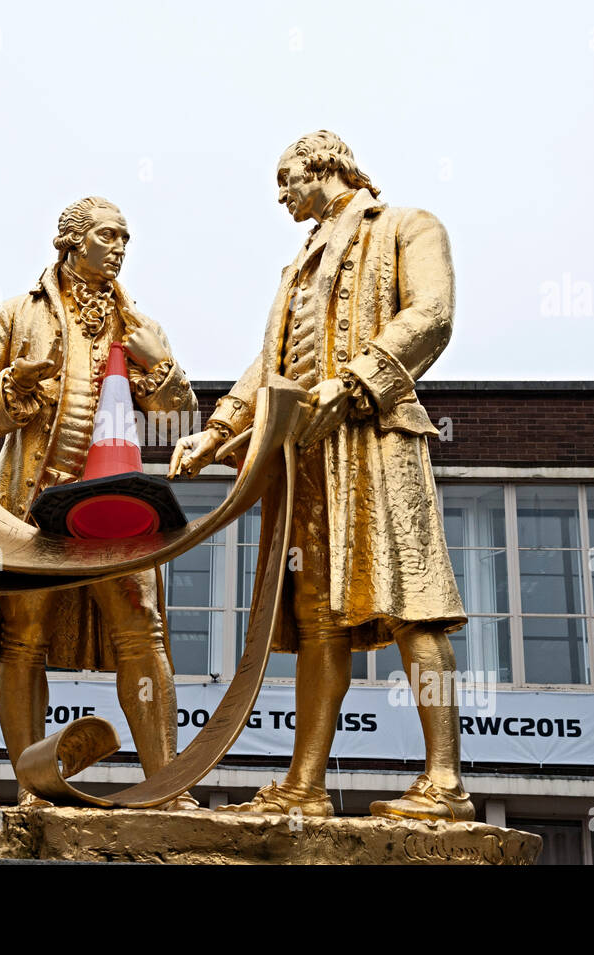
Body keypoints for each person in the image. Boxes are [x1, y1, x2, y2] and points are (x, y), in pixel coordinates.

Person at [170, 131, 472, 821]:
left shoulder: (405, 224)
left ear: (328, 165)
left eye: (288, 178)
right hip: (304, 458)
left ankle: (445, 782)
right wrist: (218, 430)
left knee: (412, 602)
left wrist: (359, 381)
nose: (282, 196)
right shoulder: (297, 267)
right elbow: (269, 362)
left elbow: (432, 314)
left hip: (377, 438)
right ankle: (305, 783)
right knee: (317, 622)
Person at [0, 197, 199, 810]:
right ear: (72, 241)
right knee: (23, 641)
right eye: (109, 235)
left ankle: (165, 787)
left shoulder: (135, 323)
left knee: (143, 632)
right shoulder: (11, 314)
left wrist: (162, 363)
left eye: (125, 238)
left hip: (120, 508)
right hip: (33, 505)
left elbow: (177, 414)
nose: (119, 248)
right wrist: (10, 388)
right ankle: (33, 787)